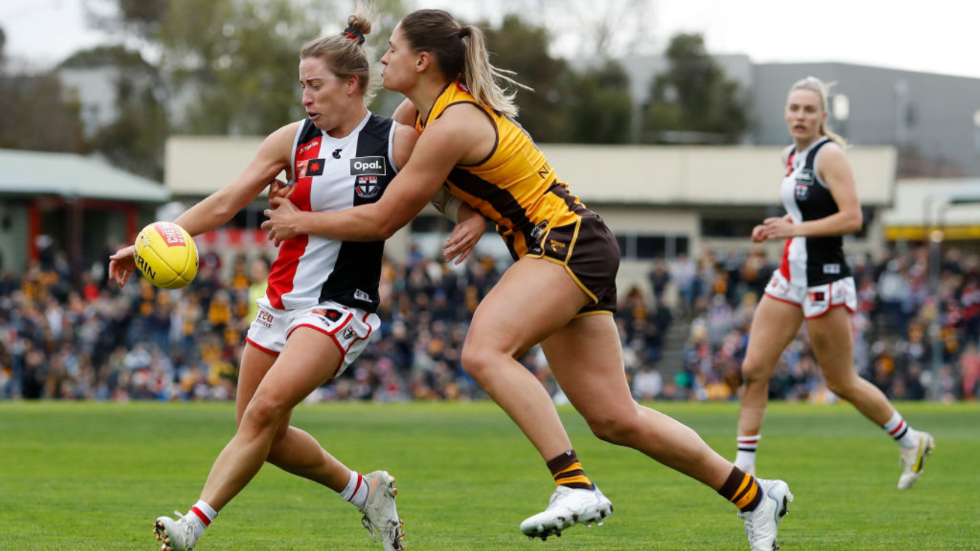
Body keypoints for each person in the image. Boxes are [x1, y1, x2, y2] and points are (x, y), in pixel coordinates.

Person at [263, 9, 792, 550]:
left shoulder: (451, 123)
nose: (383, 58)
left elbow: (381, 219)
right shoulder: (421, 113)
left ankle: (573, 483)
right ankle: (754, 496)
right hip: (570, 244)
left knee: (483, 352)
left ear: (422, 61)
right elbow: (402, 167)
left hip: (562, 242)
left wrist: (300, 220)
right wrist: (472, 212)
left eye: (393, 49)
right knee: (616, 419)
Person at [108, 8, 486, 551]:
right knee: (261, 433)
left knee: (262, 413)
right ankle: (366, 491)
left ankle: (192, 524)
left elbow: (448, 186)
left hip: (341, 304)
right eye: (302, 86)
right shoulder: (290, 140)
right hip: (280, 302)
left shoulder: (392, 141)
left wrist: (473, 214)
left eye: (316, 85)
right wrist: (148, 239)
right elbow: (224, 203)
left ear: (352, 85)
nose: (306, 97)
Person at [734, 76, 935, 490]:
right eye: (794, 108)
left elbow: (852, 218)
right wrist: (779, 228)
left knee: (840, 381)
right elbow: (805, 217)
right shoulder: (792, 154)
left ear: (823, 116)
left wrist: (795, 230)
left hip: (824, 278)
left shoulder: (830, 156)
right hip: (790, 275)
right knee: (753, 369)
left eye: (809, 110)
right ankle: (744, 470)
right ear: (786, 113)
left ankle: (911, 440)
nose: (800, 116)